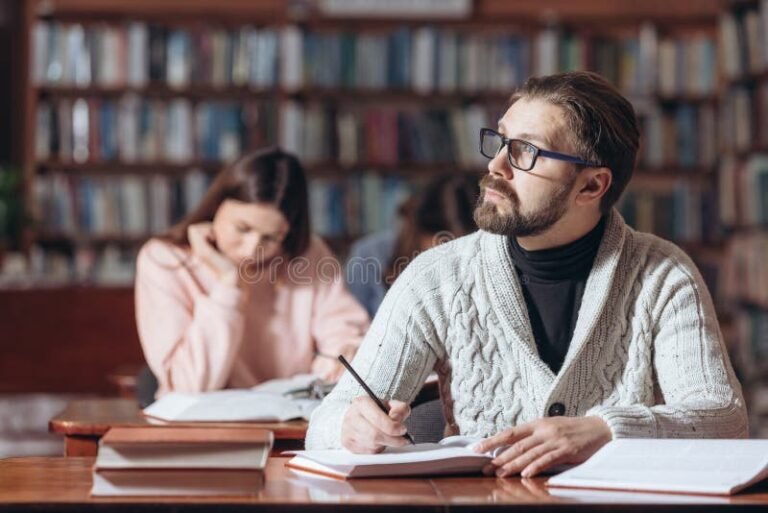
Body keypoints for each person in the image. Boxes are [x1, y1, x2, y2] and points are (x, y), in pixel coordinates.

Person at [306, 71, 748, 477]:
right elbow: (326, 422)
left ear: (592, 186)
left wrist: (604, 430)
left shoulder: (664, 275)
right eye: (500, 141)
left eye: (525, 152)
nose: (495, 166)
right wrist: (350, 424)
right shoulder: (435, 278)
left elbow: (724, 419)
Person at [135, 147, 370, 398]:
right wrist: (228, 285)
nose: (252, 249)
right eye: (242, 228)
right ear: (216, 206)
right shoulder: (164, 259)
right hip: (199, 426)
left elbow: (342, 338)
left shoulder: (307, 253)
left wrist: (345, 355)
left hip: (292, 419)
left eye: (270, 237)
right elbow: (189, 384)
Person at [346, 174, 479, 318]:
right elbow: (349, 328)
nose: (454, 260)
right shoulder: (368, 255)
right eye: (446, 244)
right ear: (421, 229)